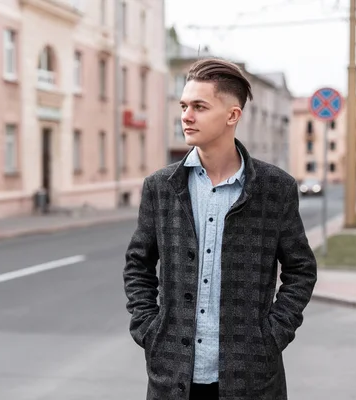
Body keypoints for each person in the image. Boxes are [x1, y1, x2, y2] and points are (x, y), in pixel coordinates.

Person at [123, 57, 317, 400]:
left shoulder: (275, 188)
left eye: (199, 106)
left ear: (232, 115)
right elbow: (138, 264)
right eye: (184, 105)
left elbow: (301, 269)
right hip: (173, 378)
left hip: (251, 380)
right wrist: (149, 329)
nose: (186, 115)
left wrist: (272, 335)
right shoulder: (161, 187)